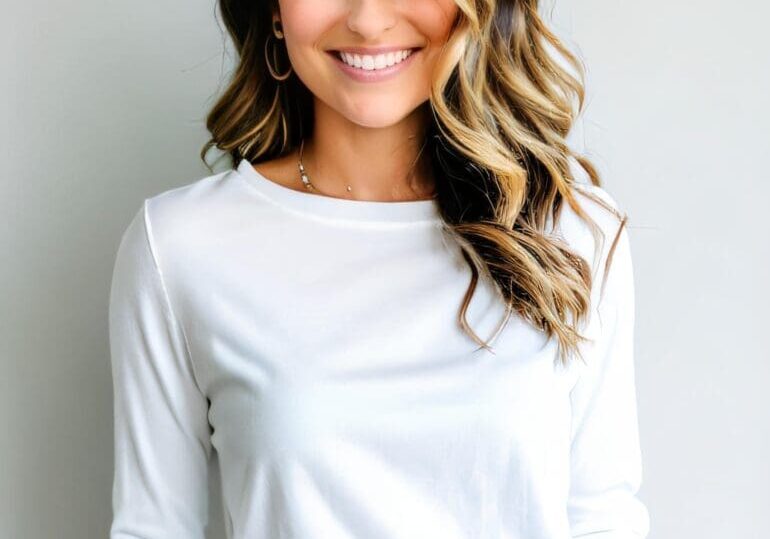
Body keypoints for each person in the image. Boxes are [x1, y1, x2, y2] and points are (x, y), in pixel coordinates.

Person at [107, 0, 651, 537]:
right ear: (274, 10)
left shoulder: (574, 235)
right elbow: (152, 528)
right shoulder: (181, 245)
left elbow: (602, 520)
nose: (368, 19)